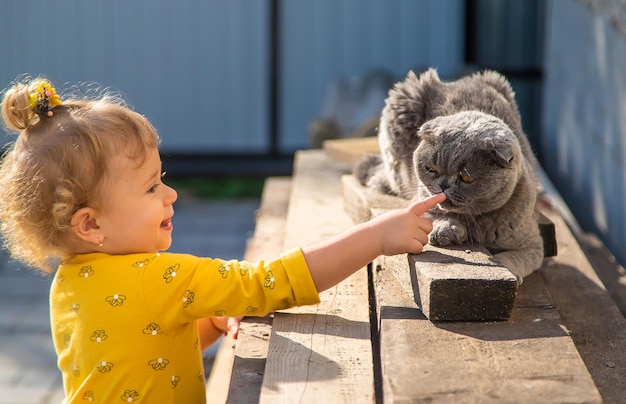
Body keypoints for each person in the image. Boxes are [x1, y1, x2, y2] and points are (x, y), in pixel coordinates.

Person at [0, 77, 445, 403]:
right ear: (90, 225)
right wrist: (377, 236)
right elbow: (271, 283)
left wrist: (210, 323)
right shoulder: (163, 276)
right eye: (152, 187)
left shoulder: (68, 284)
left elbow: (146, 352)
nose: (170, 194)